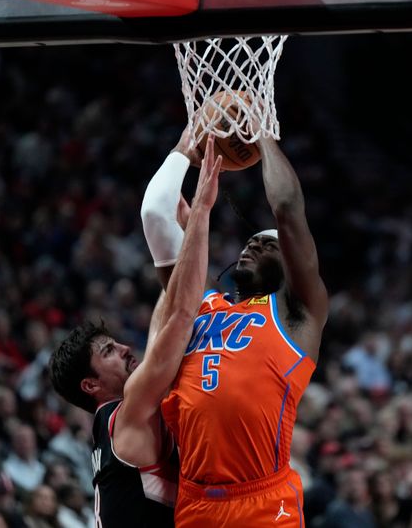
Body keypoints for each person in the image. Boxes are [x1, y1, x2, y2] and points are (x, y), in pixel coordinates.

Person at [48, 133, 222, 527]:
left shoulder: (120, 417)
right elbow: (180, 315)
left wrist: (176, 251)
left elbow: (170, 312)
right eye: (108, 351)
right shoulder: (127, 415)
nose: (126, 348)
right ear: (90, 386)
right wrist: (199, 215)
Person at [160, 136, 329, 526]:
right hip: (194, 499)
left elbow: (286, 208)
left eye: (264, 246)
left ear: (289, 265)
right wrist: (184, 154)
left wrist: (263, 135)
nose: (249, 247)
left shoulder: (296, 312)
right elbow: (158, 221)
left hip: (262, 500)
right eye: (249, 242)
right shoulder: (201, 308)